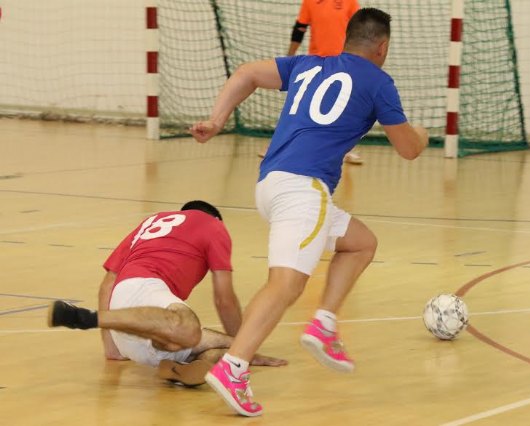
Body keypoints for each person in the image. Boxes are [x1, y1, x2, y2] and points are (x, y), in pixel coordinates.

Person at [190, 8, 428, 416]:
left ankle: (325, 324)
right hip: (304, 189)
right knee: (285, 285)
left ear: (347, 39)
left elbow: (246, 73)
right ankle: (234, 366)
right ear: (382, 46)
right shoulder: (379, 82)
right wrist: (420, 132)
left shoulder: (307, 64)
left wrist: (217, 120)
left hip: (271, 183)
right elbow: (408, 149)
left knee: (360, 243)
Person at [47, 200, 287, 387]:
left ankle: (176, 369)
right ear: (216, 219)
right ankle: (89, 317)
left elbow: (107, 284)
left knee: (215, 352)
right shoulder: (213, 225)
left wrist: (111, 348)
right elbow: (224, 299)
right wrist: (243, 349)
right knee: (189, 327)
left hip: (134, 334)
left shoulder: (151, 222)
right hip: (144, 292)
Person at [258, 0, 363, 164]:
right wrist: (290, 56)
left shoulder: (350, 2)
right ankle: (276, 147)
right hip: (316, 63)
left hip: (343, 63)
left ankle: (345, 150)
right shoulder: (310, 2)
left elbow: (359, 32)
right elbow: (300, 28)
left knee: (343, 108)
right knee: (299, 106)